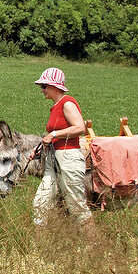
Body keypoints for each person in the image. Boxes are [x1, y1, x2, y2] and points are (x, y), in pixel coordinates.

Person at [31, 67, 91, 227]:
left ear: (55, 86)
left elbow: (80, 128)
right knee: (40, 202)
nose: (41, 90)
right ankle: (41, 243)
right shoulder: (56, 106)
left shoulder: (67, 103)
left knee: (76, 207)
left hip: (68, 159)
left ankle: (93, 243)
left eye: (44, 86)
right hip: (53, 161)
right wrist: (38, 149)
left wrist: (54, 134)